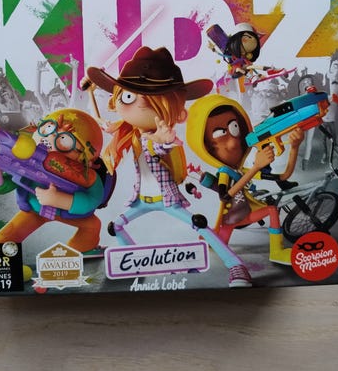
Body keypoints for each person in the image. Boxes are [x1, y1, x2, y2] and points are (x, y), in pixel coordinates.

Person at [86, 46, 253, 287]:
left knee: (200, 225)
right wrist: (91, 93)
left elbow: (162, 147)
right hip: (142, 199)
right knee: (117, 226)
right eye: (127, 96)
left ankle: (236, 266)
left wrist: (164, 140)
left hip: (167, 199)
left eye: (148, 100)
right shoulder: (129, 133)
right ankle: (132, 262)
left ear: (178, 113)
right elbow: (102, 122)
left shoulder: (155, 138)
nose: (133, 104)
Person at [186, 94, 304, 266]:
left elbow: (284, 176)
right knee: (223, 241)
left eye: (235, 129)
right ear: (208, 148)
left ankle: (274, 251)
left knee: (267, 212)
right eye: (221, 134)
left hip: (240, 214)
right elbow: (225, 196)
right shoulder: (225, 173)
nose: (234, 143)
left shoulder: (241, 171)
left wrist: (294, 147)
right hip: (233, 217)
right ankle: (275, 251)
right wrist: (256, 166)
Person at [0, 108, 105, 255]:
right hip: (34, 209)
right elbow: (0, 187)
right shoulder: (26, 159)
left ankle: (78, 252)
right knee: (6, 237)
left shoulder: (86, 176)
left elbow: (92, 199)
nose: (50, 138)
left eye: (64, 139)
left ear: (87, 159)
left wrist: (59, 199)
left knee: (92, 226)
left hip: (68, 214)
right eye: (48, 128)